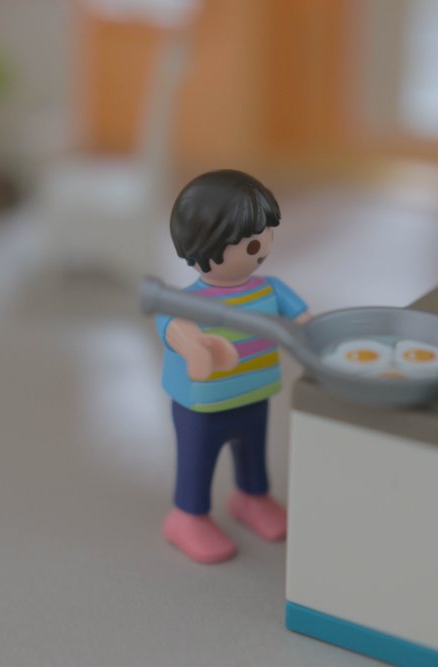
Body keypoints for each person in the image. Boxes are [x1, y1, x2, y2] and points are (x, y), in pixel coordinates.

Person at [155, 169, 310, 564]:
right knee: (198, 461)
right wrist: (191, 344)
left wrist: (314, 337)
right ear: (203, 244)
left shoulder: (269, 290)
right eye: (248, 239)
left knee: (254, 452)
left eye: (265, 232)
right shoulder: (189, 303)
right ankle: (187, 516)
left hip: (254, 394)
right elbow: (171, 323)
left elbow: (303, 320)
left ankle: (252, 497)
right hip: (201, 407)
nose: (261, 243)